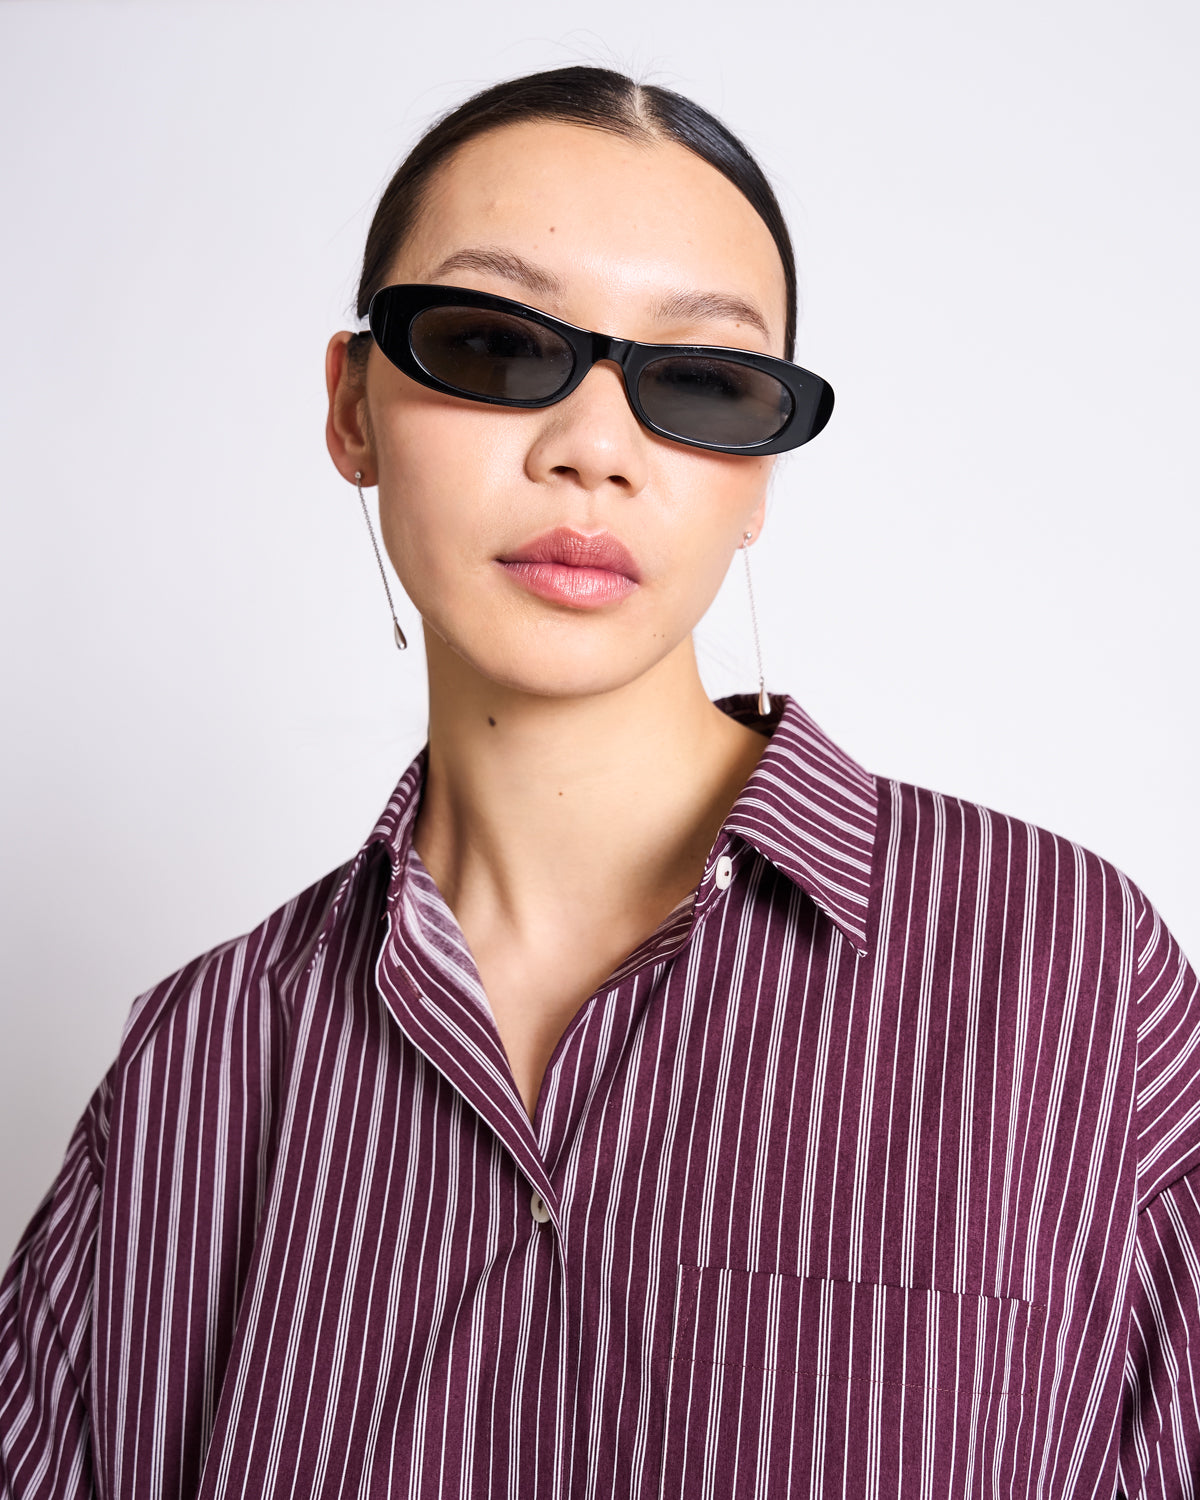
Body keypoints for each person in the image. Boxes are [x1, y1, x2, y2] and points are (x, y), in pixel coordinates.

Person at [0, 63, 1196, 1500]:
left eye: (701, 380)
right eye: (493, 344)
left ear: (758, 482)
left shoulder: (1066, 972)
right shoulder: (196, 1072)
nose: (593, 452)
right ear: (354, 407)